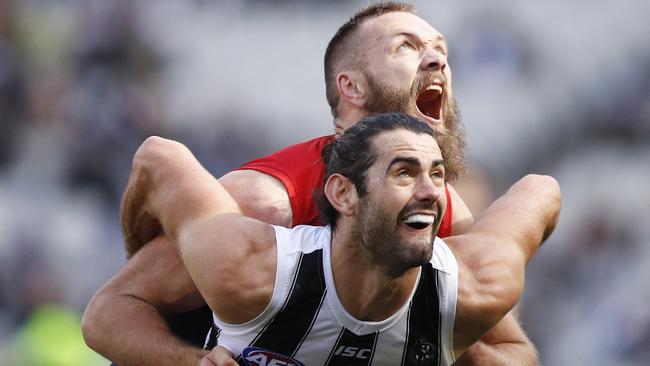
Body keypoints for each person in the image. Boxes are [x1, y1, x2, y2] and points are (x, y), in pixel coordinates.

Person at [82, 3, 537, 365]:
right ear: (351, 88)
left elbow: (505, 351)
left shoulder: (446, 214)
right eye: (407, 47)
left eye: (441, 49)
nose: (438, 58)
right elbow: (109, 314)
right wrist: (191, 361)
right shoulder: (265, 206)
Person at [121, 113, 560, 365]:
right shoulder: (249, 271)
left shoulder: (474, 288)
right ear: (343, 193)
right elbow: (159, 156)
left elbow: (543, 191)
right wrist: (191, 360)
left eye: (438, 174)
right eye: (404, 172)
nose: (432, 192)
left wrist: (462, 355)